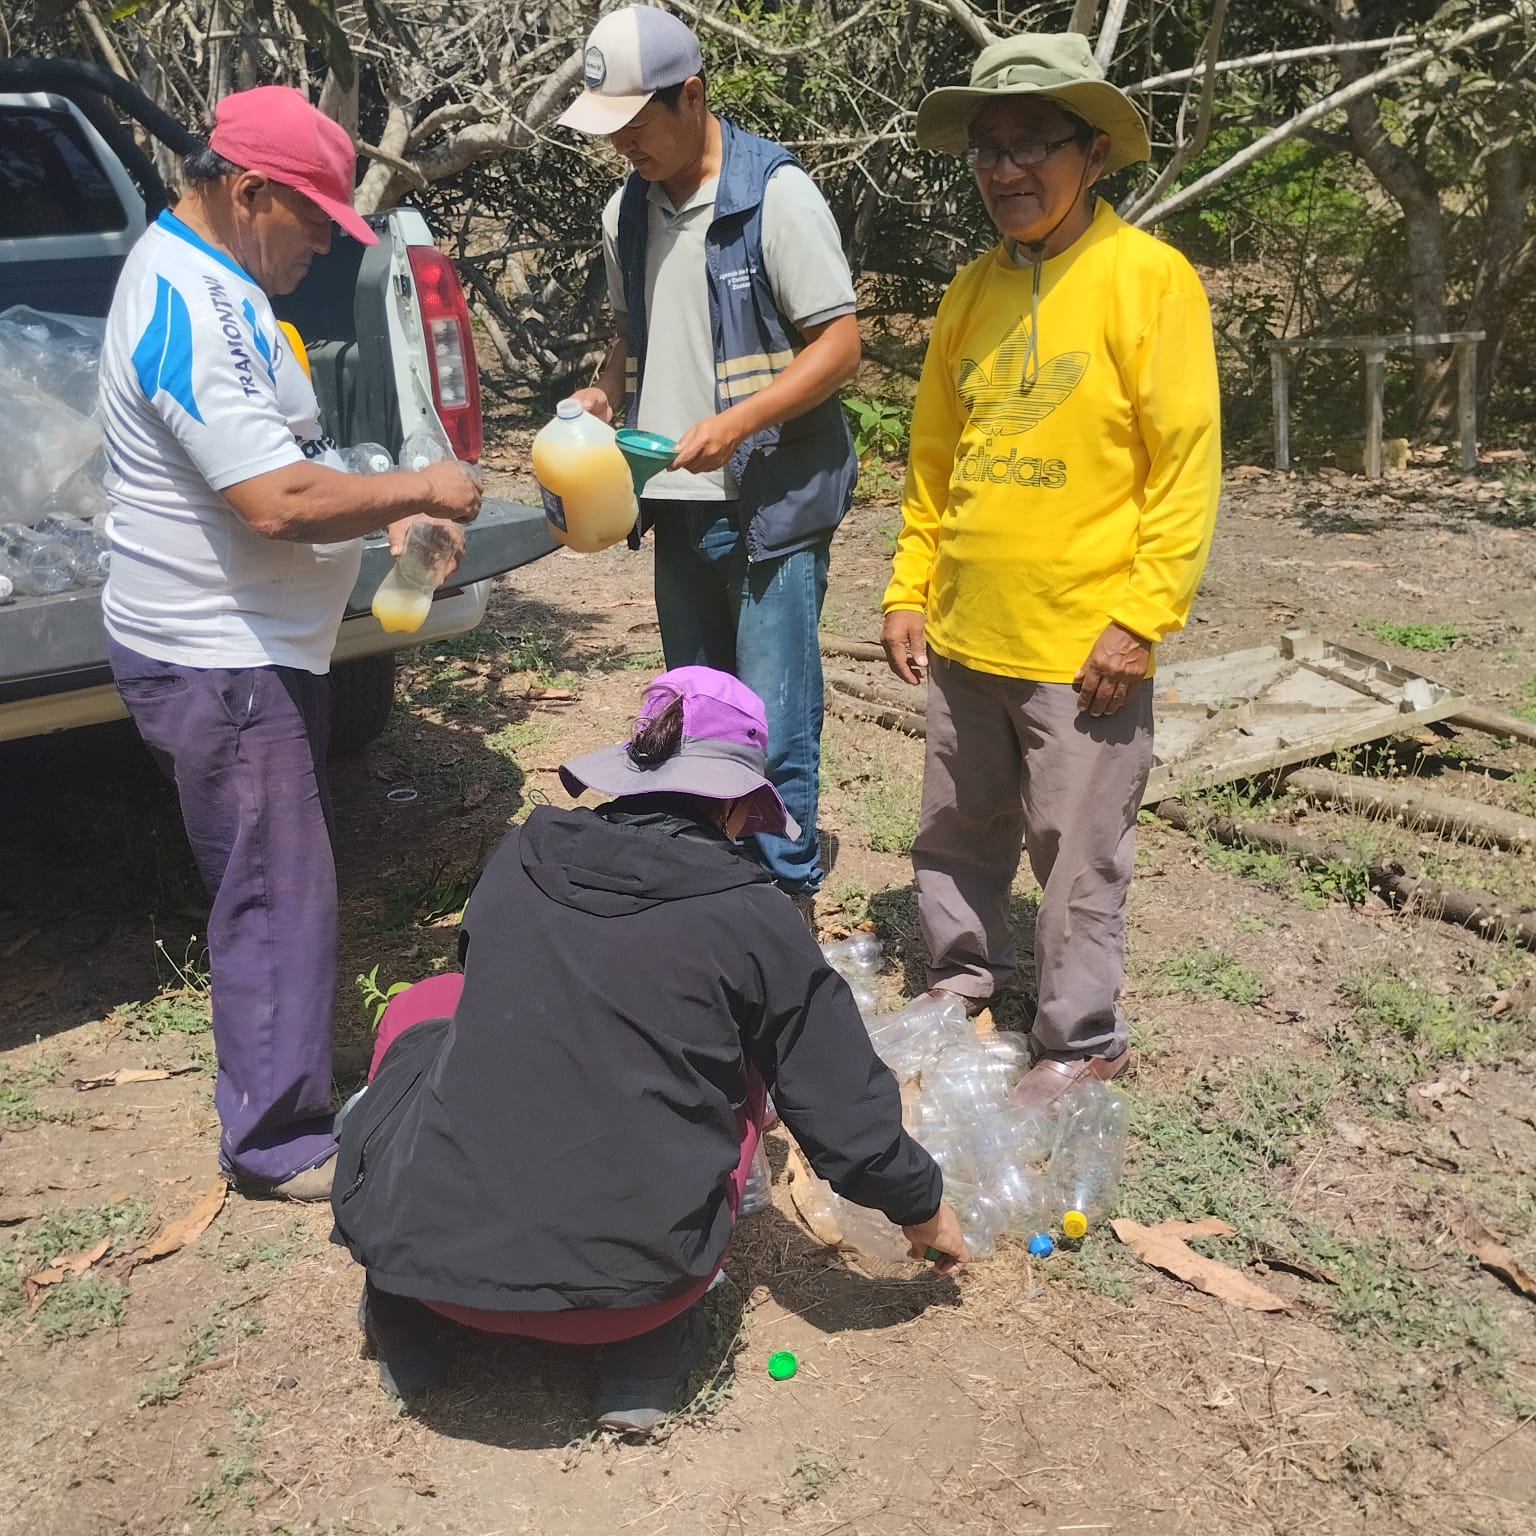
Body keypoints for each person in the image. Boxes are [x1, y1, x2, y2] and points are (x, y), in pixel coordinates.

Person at [329, 667, 967, 1432]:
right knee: (744, 1079)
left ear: (632, 772)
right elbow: (840, 1112)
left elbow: (492, 986)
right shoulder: (754, 917)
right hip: (633, 1297)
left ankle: (404, 1325)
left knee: (427, 1005)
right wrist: (922, 1207)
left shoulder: (520, 853)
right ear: (735, 803)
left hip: (426, 1268)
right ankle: (642, 1363)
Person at [98, 85, 482, 1200]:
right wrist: (423, 485)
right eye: (312, 219)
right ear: (249, 191)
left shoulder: (218, 285)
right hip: (219, 654)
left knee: (283, 876)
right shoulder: (189, 300)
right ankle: (276, 1140)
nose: (323, 244)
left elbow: (286, 454)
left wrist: (384, 515)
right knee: (275, 892)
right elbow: (272, 499)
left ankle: (285, 1088)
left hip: (252, 647)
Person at [880, 33, 1221, 1112]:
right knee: (957, 828)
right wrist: (907, 586)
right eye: (987, 148)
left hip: (1084, 645)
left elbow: (1185, 468)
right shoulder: (969, 292)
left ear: (1093, 152)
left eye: (1032, 142)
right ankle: (961, 981)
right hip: (967, 626)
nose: (1006, 169)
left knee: (1078, 857)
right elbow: (934, 461)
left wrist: (1141, 618)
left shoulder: (1147, 280)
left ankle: (1079, 1041)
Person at [558, 5, 862, 925]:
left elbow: (839, 346)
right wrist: (606, 391)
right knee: (693, 711)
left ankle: (787, 906)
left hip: (768, 501)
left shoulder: (775, 195)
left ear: (690, 96)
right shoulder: (627, 210)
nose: (624, 146)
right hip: (677, 503)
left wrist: (738, 424)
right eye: (610, 129)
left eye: (635, 123)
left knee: (774, 717)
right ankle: (714, 899)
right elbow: (636, 333)